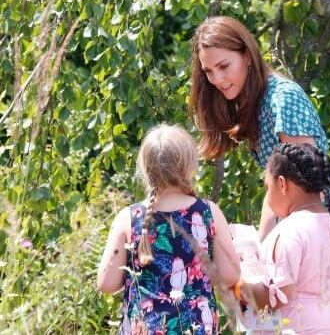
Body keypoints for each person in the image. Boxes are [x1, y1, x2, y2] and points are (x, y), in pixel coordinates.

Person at [189, 15, 330, 333]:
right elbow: (279, 191)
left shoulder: (283, 101)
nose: (217, 79)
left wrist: (261, 259)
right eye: (208, 71)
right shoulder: (257, 103)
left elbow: (301, 178)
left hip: (312, 237)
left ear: (247, 55)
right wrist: (262, 245)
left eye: (224, 66)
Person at [97, 123, 241, 334]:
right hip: (196, 328)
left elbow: (106, 284)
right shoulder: (208, 213)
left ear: (145, 169)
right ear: (190, 165)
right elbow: (230, 276)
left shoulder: (129, 218)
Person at [234, 142, 330, 334]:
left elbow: (279, 297)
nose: (267, 198)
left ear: (282, 184)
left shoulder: (289, 231)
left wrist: (238, 283)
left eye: (267, 188)